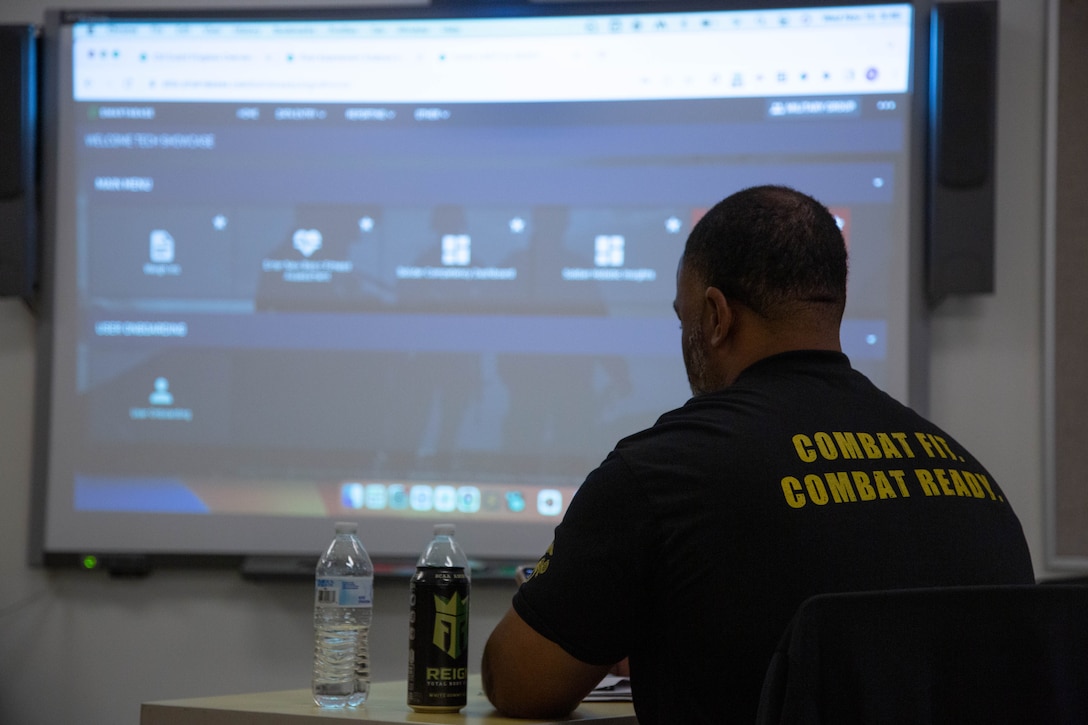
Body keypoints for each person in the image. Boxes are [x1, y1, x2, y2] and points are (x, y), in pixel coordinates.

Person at [480, 185, 1034, 724]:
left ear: (717, 317)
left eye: (684, 317)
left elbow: (519, 682)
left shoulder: (661, 472)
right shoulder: (971, 479)